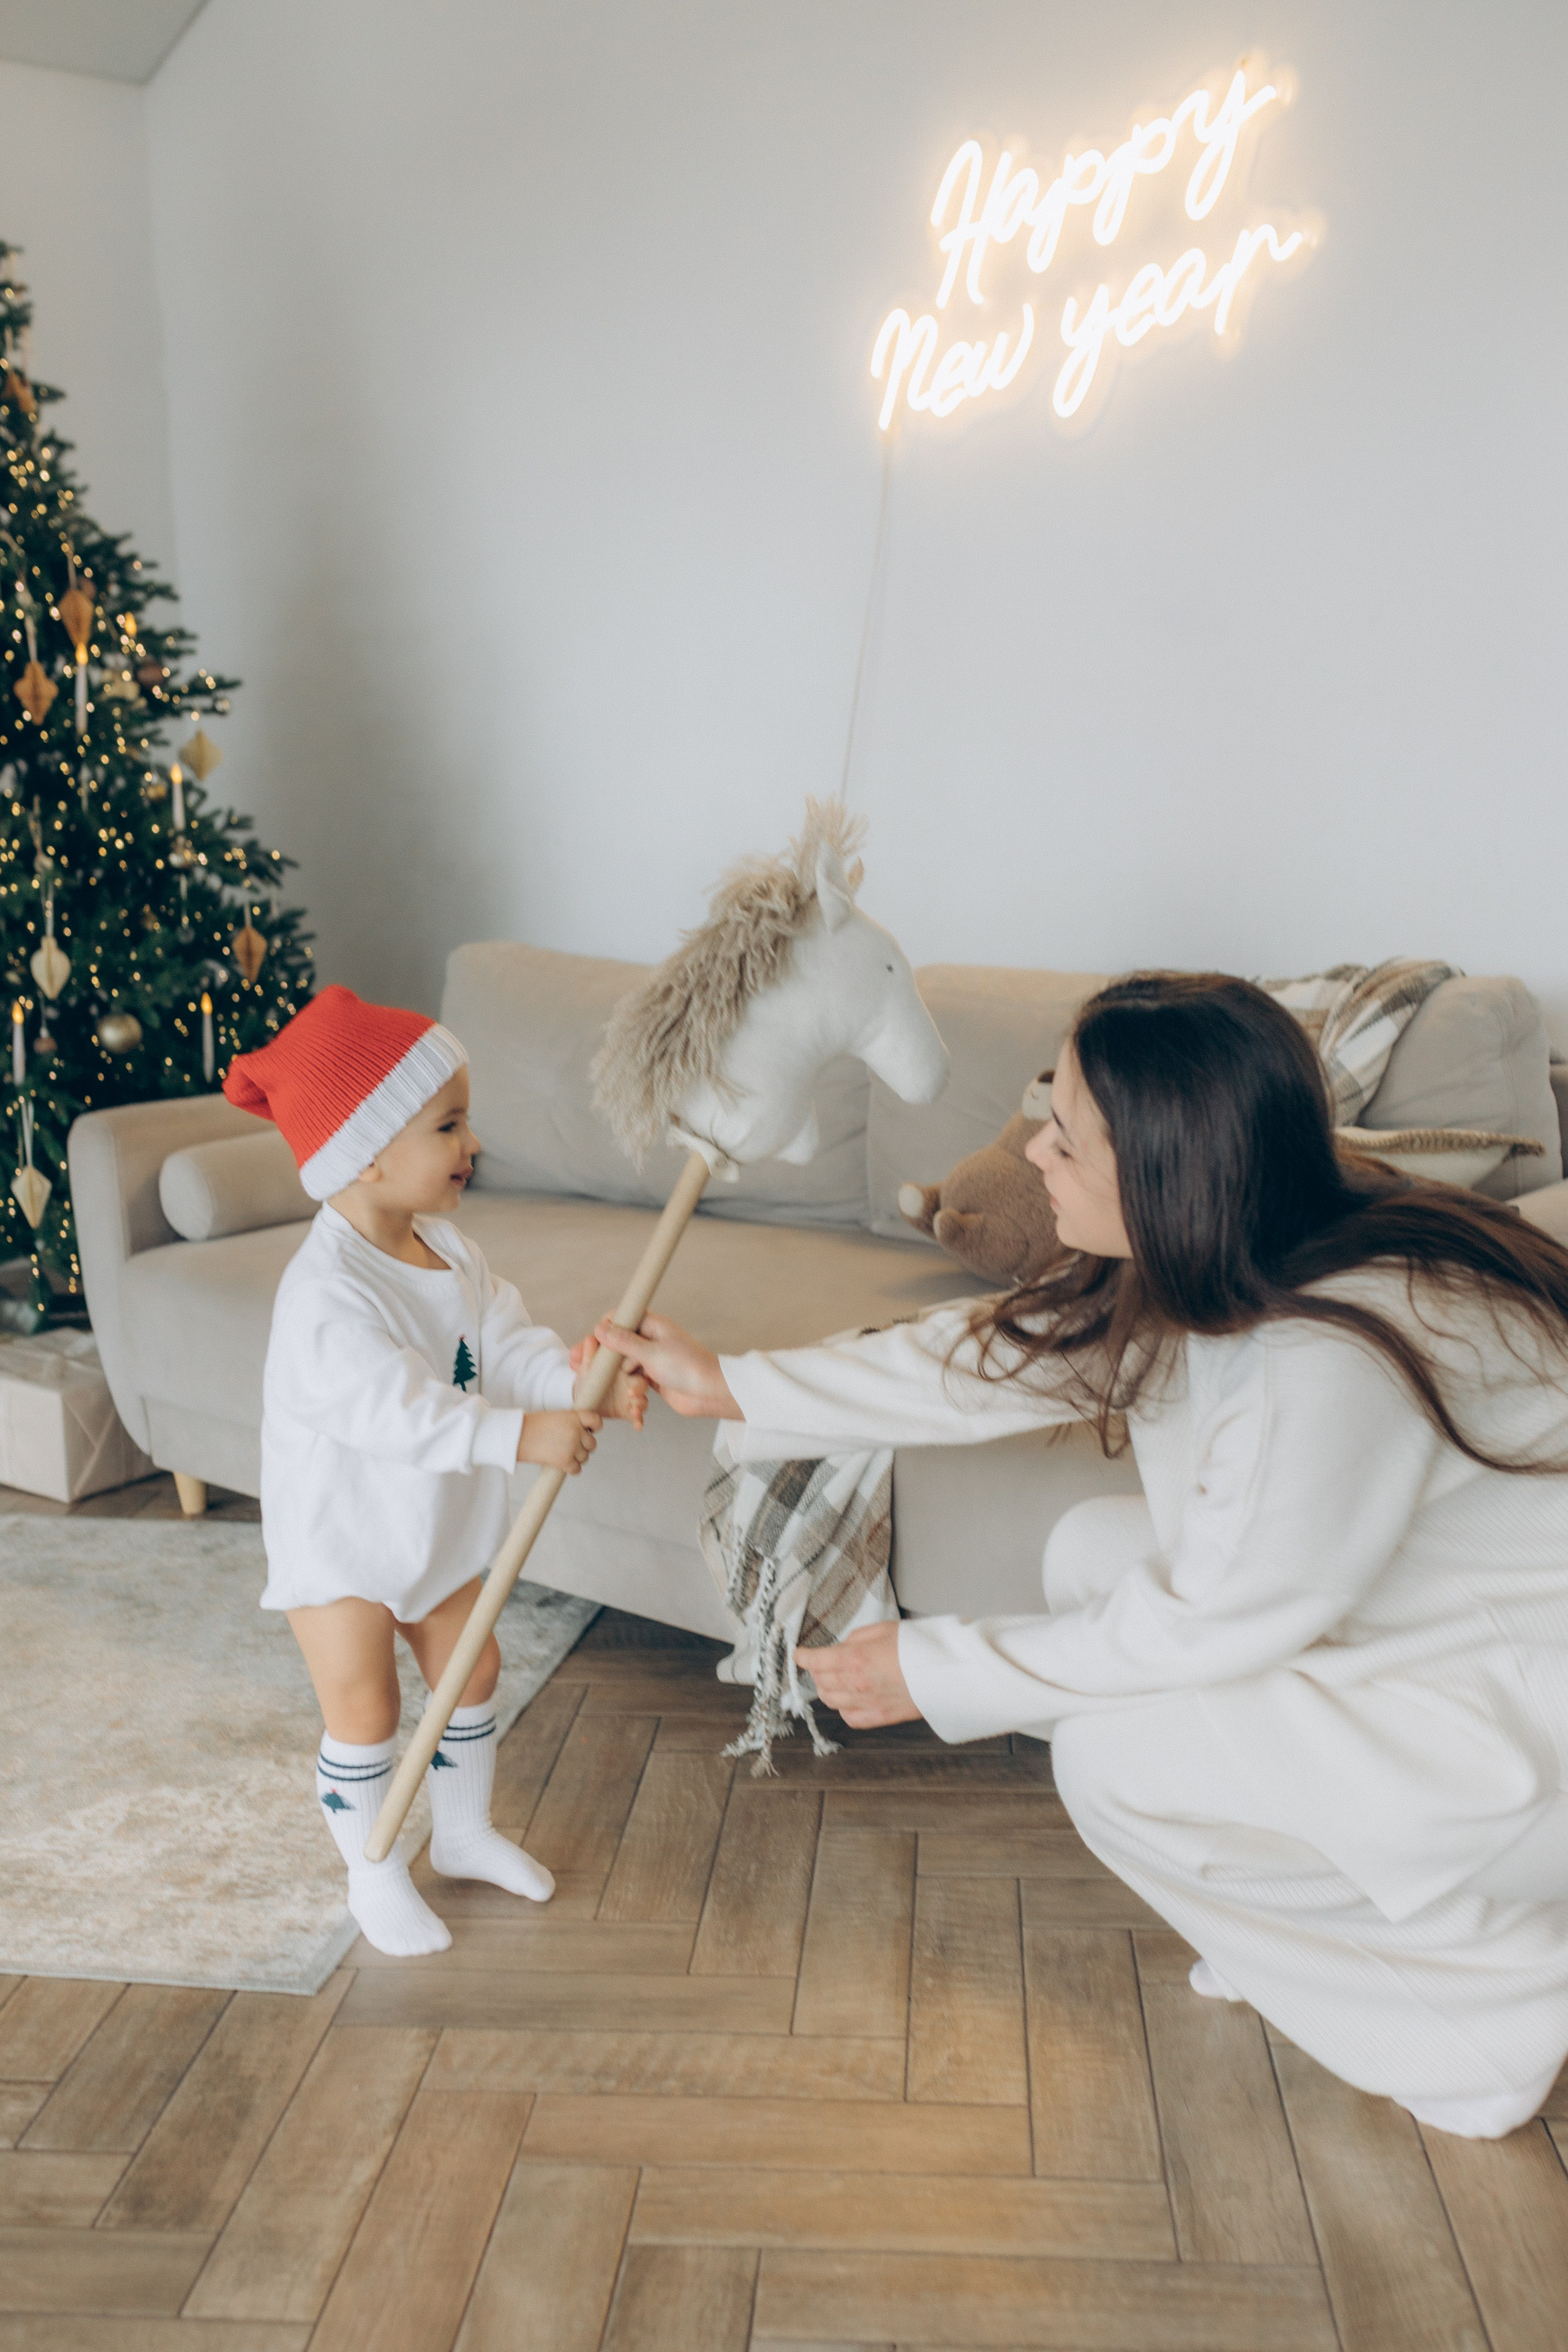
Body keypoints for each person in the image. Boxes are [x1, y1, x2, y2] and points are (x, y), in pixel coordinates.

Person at [595, 973, 1568, 2138]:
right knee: (1094, 1550)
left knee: (1113, 1765)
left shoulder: (1330, 1356)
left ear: (1162, 1165)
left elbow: (1215, 1621)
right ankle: (1343, 1926)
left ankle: (1488, 2021)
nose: (1033, 1153)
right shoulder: (1249, 1234)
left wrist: (938, 1671)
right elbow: (984, 1357)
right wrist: (734, 1383)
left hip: (1519, 1727)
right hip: (1431, 1654)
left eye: (1064, 1134)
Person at [225, 986, 644, 1957]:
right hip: (344, 1534)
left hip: (432, 1523)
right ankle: (372, 1868)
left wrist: (578, 1383)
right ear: (367, 1150)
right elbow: (399, 1412)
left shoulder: (450, 1250)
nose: (474, 1144)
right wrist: (519, 1436)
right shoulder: (323, 1299)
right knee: (367, 1706)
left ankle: (460, 1835)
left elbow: (504, 1343)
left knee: (472, 1669)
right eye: (448, 1125)